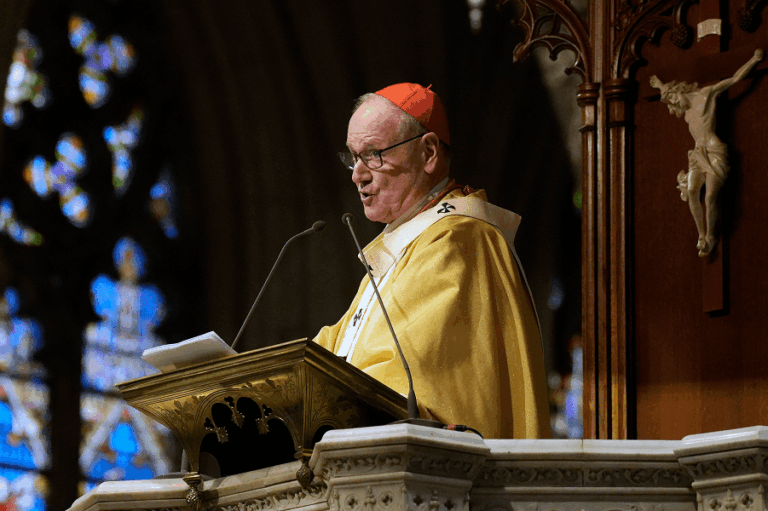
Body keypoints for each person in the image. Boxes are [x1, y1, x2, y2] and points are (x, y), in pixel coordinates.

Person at [313, 83, 550, 439]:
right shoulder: (403, 246)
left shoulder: (459, 241)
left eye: (374, 154)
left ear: (428, 153)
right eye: (353, 157)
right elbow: (336, 347)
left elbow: (411, 377)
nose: (357, 174)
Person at [650, 48, 763, 256]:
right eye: (671, 103)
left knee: (710, 196)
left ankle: (711, 235)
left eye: (674, 98)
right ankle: (701, 235)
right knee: (692, 191)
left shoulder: (706, 95)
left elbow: (735, 79)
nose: (675, 104)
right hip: (697, 154)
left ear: (680, 90)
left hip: (714, 150)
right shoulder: (685, 114)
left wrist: (754, 60)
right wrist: (658, 85)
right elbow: (668, 92)